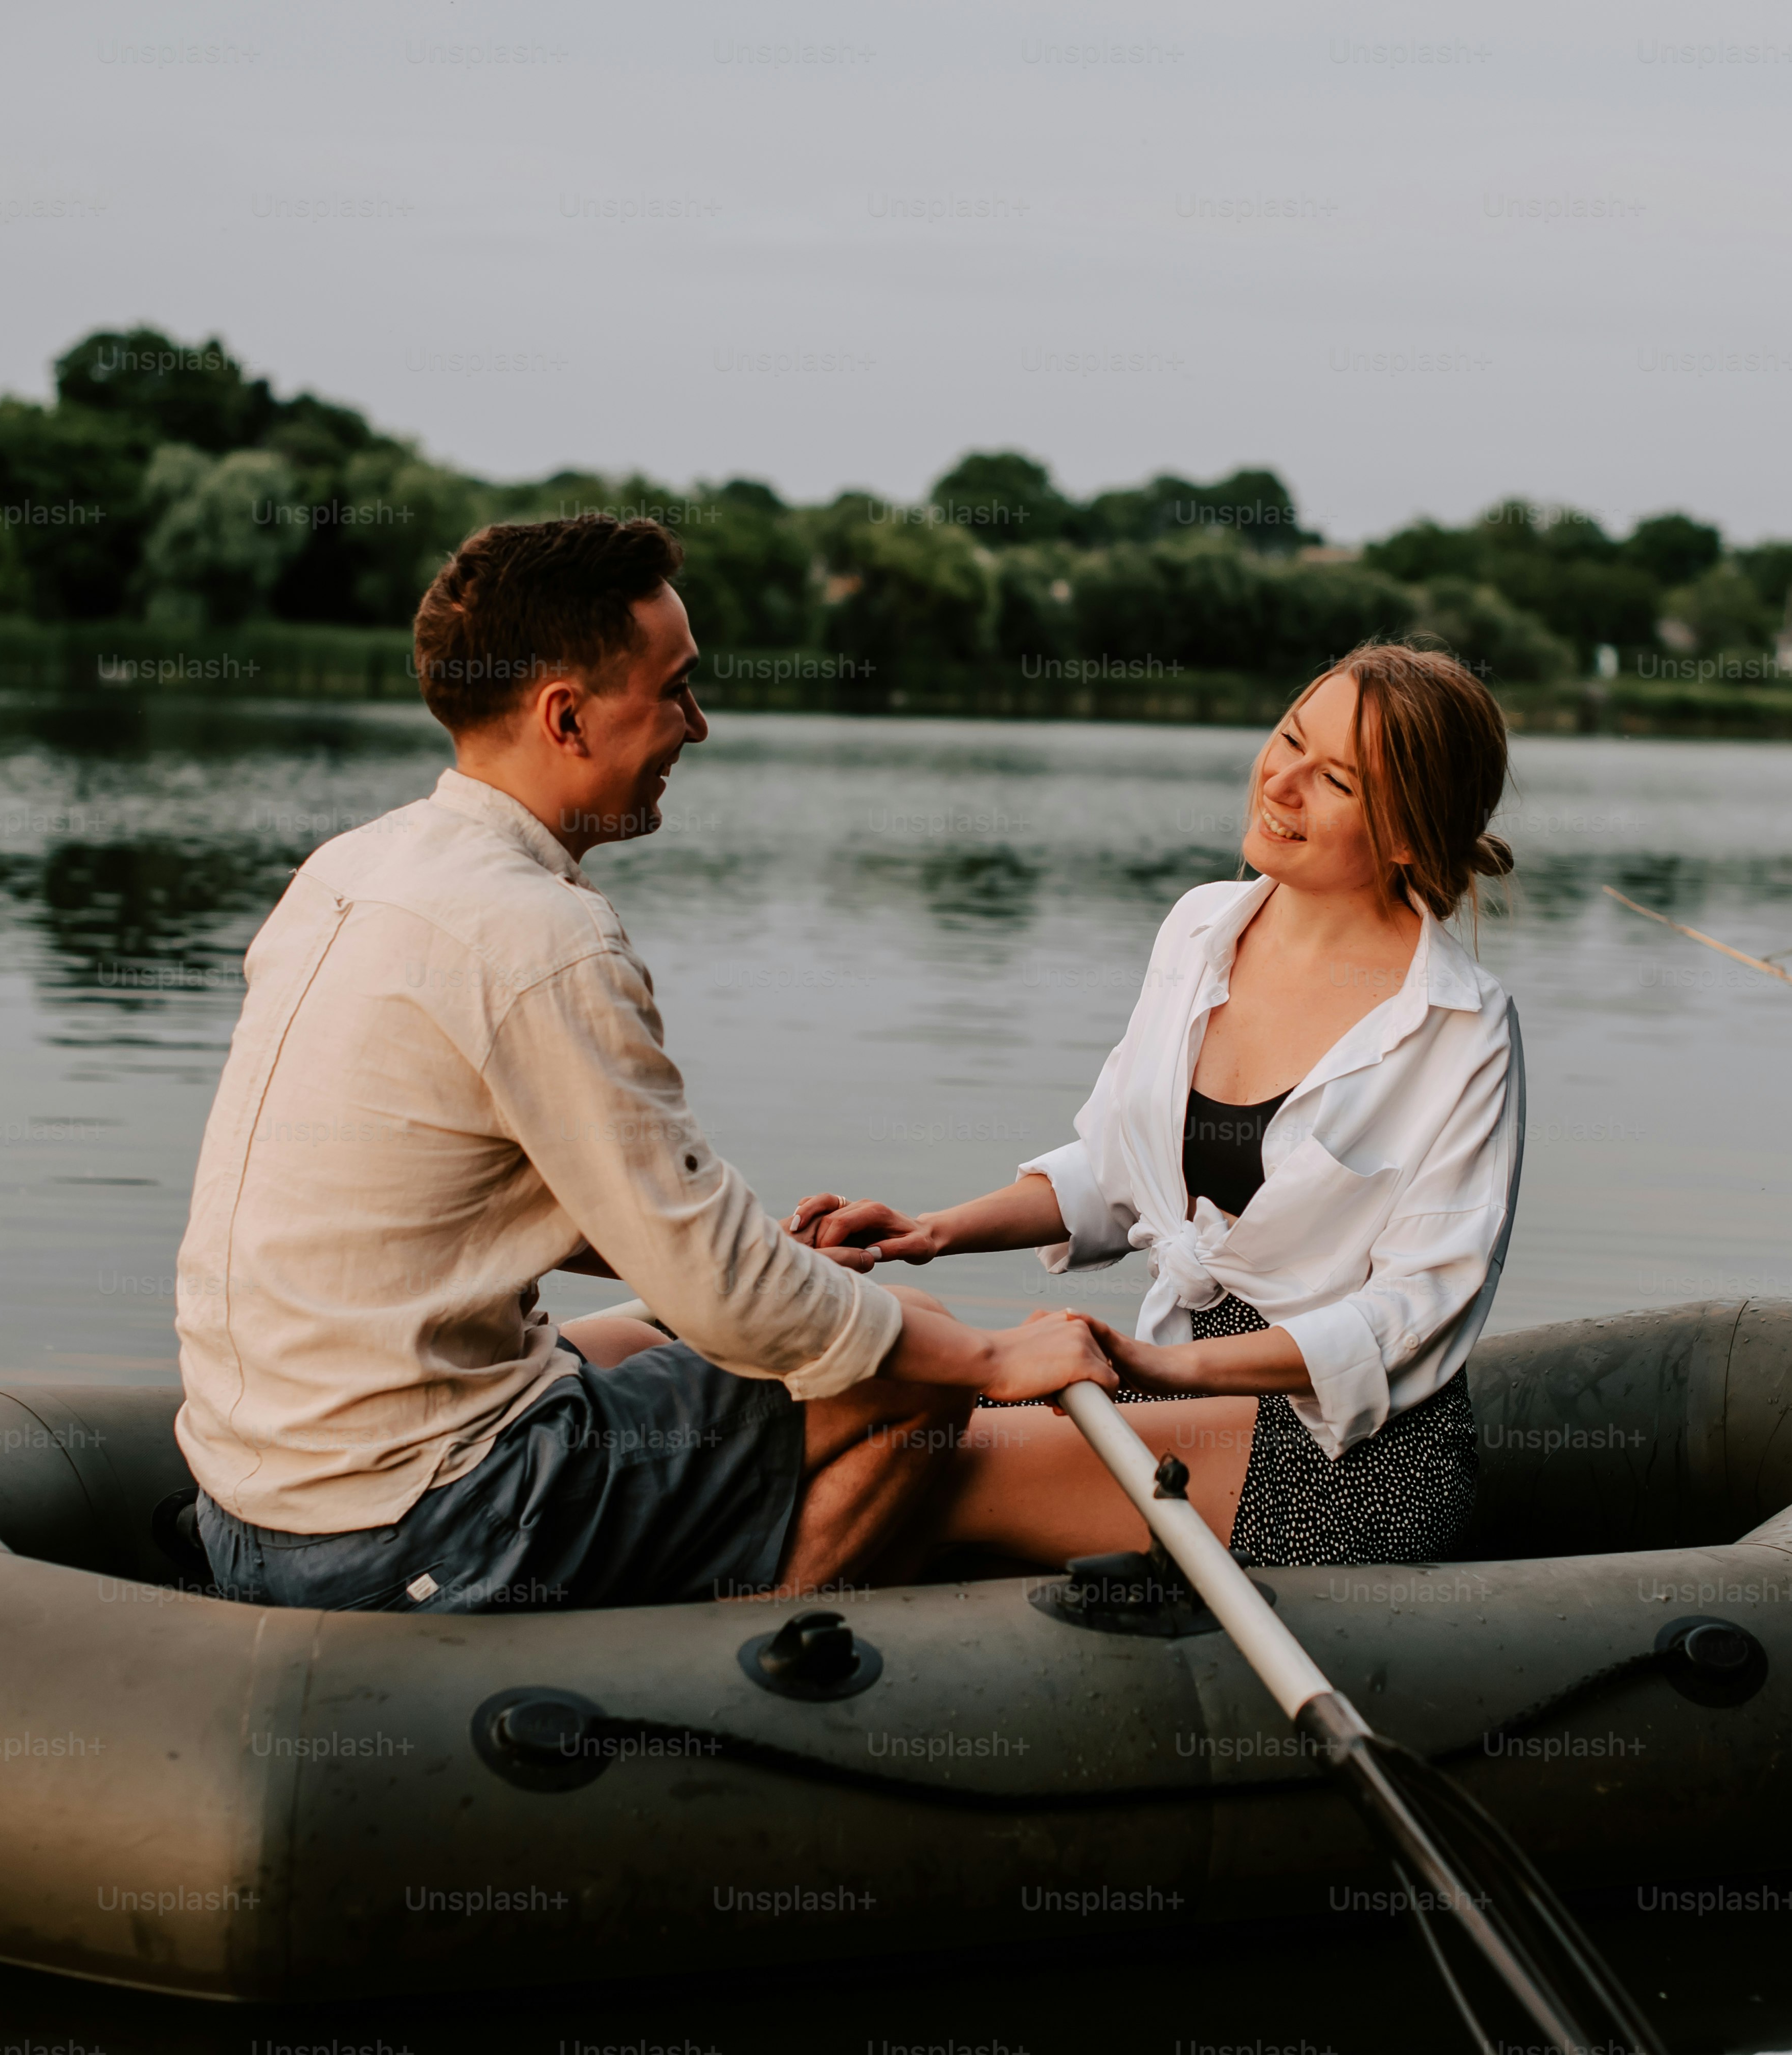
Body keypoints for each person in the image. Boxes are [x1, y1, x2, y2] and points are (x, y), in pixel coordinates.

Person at [173, 515, 1113, 1616]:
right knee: (912, 1365)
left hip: (246, 1510)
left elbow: (469, 1186)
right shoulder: (541, 935)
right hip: (404, 1526)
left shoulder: (351, 870)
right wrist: (994, 1361)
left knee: (694, 1325)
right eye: (675, 690)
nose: (697, 727)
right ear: (566, 715)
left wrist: (760, 1253)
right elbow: (729, 1305)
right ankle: (733, 1685)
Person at [789, 642, 1522, 1572]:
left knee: (921, 1465)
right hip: (1163, 1391)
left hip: (1342, 1449)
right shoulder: (1201, 926)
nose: (1281, 784)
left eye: (1334, 779)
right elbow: (1116, 1167)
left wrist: (1157, 1367)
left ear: (1410, 832)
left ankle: (728, 1661)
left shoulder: (1461, 1029)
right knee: (876, 1375)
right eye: (1288, 739)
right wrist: (931, 1231)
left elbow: (1418, 1306)